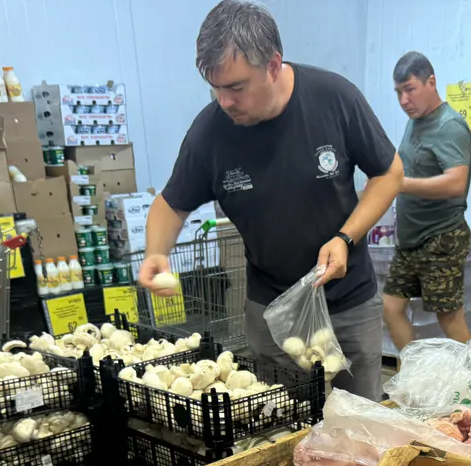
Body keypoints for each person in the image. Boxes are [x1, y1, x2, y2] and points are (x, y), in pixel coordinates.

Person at [139, 0, 403, 401]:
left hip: (347, 304)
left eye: (235, 87)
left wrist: (345, 238)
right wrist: (156, 252)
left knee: (360, 422)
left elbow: (389, 173)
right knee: (284, 423)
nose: (224, 101)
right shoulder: (211, 133)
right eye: (215, 88)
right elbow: (171, 204)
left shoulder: (334, 99)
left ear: (273, 65)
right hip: (272, 314)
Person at [382, 51, 471, 351]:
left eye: (409, 89)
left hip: (440, 237)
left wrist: (401, 184)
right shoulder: (415, 122)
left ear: (431, 82)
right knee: (391, 308)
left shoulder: (449, 125)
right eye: (398, 92)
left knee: (449, 318)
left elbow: (456, 183)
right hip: (410, 240)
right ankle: (414, 370)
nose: (404, 100)